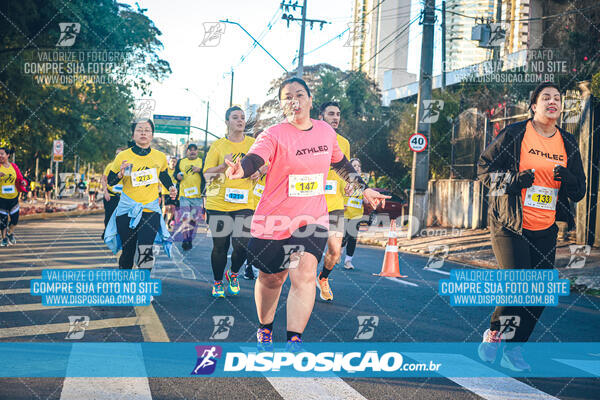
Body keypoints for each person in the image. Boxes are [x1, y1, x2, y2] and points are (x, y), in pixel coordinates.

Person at [225, 77, 389, 350]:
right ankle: (265, 328)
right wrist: (241, 169)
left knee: (305, 275)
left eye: (300, 94)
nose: (294, 100)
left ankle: (294, 340)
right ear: (281, 104)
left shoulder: (326, 132)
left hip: (312, 218)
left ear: (310, 100)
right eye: (288, 96)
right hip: (275, 219)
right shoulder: (273, 134)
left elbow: (341, 163)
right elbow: (256, 158)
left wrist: (364, 189)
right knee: (272, 278)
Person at [477, 82, 586, 371]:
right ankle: (495, 333)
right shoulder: (514, 134)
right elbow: (484, 170)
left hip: (545, 226)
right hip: (509, 222)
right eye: (546, 97)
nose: (553, 102)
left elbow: (579, 191)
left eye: (557, 98)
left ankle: (515, 347)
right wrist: (514, 182)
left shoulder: (568, 142)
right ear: (534, 106)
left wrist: (567, 179)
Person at [104, 119, 178, 271]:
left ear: (152, 135)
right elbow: (110, 181)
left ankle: (142, 289)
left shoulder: (159, 157)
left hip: (150, 210)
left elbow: (163, 175)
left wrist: (171, 187)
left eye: (147, 130)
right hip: (127, 210)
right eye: (139, 130)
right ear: (133, 135)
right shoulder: (123, 156)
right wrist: (120, 174)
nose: (143, 132)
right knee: (128, 252)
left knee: (146, 250)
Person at [202, 106, 257, 298]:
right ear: (227, 122)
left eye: (242, 118)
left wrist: (259, 171)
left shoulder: (253, 144)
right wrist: (221, 166)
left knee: (243, 244)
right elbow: (206, 174)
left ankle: (233, 273)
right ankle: (218, 282)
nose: (240, 121)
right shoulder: (218, 146)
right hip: (218, 203)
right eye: (235, 117)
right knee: (220, 246)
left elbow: (265, 164)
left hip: (244, 202)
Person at [316, 101, 350, 302]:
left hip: (335, 202)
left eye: (338, 114)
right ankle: (304, 282)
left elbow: (346, 170)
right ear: (321, 117)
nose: (336, 117)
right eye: (331, 114)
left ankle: (323, 278)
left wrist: (348, 184)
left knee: (335, 251)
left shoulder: (344, 143)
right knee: (312, 249)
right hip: (312, 203)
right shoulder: (310, 139)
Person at [174, 144, 203, 251]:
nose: (192, 152)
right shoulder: (181, 162)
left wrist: (200, 170)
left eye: (195, 150)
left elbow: (208, 173)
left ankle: (189, 237)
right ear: (187, 151)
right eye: (190, 150)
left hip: (198, 196)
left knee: (193, 220)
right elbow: (175, 174)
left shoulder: (202, 162)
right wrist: (177, 176)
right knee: (185, 218)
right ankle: (185, 239)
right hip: (184, 195)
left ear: (197, 152)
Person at [341, 158, 368, 270]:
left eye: (359, 165)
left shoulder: (363, 182)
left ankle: (348, 261)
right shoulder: (343, 179)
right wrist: (342, 203)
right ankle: (338, 251)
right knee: (343, 237)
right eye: (354, 165)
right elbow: (338, 194)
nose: (357, 167)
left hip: (357, 214)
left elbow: (366, 199)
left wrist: (368, 200)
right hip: (345, 213)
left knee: (352, 237)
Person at [0, 147, 27, 246]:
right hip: (1, 198)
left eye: (2, 154)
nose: (0, 156)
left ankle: (10, 233)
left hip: (13, 198)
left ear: (8, 155)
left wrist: (23, 182)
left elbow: (20, 179)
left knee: (15, 220)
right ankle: (4, 239)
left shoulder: (14, 166)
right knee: (3, 221)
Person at [101, 147, 126, 238]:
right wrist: (105, 192)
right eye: (116, 153)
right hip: (110, 196)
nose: (117, 155)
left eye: (120, 154)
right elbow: (103, 180)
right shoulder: (110, 166)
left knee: (120, 218)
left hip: (123, 197)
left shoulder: (127, 167)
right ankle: (107, 234)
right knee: (109, 216)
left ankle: (118, 235)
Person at [162, 156, 178, 229]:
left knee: (172, 208)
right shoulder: (166, 169)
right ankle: (161, 223)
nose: (173, 163)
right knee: (165, 209)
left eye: (175, 162)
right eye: (172, 161)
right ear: (169, 162)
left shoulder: (177, 171)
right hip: (165, 192)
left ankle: (168, 223)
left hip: (174, 192)